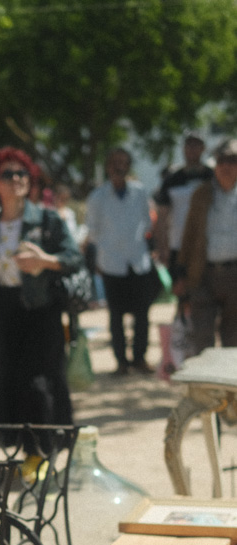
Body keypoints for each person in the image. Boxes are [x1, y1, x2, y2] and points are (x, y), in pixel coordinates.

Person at [0, 147, 81, 480]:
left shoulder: (47, 218)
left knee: (40, 382)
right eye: (7, 174)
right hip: (3, 309)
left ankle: (41, 452)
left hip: (41, 310)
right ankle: (20, 448)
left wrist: (44, 260)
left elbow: (73, 258)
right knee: (5, 380)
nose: (16, 179)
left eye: (22, 174)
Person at [86, 148, 158, 375]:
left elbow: (147, 224)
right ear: (108, 167)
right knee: (115, 316)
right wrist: (101, 256)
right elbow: (93, 232)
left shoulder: (139, 192)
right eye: (114, 162)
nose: (119, 166)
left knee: (142, 315)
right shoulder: (97, 197)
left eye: (123, 162)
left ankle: (139, 358)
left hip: (138, 261)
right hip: (112, 264)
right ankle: (121, 362)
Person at [174, 138, 237, 351]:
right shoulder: (202, 194)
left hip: (234, 274)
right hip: (203, 273)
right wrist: (180, 273)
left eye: (232, 161)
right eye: (222, 161)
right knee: (201, 338)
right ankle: (206, 385)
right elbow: (189, 235)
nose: (226, 167)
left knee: (233, 339)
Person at [154, 132, 213, 278]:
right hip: (178, 246)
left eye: (196, 145)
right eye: (189, 145)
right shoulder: (172, 180)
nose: (192, 149)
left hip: (207, 246)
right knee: (183, 293)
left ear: (203, 148)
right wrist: (162, 246)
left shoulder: (212, 177)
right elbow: (162, 216)